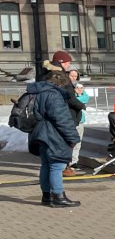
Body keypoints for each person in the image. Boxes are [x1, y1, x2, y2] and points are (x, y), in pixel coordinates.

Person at [26, 70, 81, 207]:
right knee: (57, 165)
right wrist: (73, 138)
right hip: (52, 133)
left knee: (46, 165)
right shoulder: (54, 95)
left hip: (40, 132)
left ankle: (46, 196)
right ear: (61, 83)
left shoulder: (39, 92)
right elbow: (61, 119)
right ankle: (58, 196)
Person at [64, 72, 88, 176]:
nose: (74, 78)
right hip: (70, 120)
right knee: (70, 142)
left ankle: (74, 162)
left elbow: (85, 98)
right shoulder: (68, 88)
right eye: (71, 76)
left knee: (78, 143)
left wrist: (79, 95)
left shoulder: (79, 88)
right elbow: (72, 101)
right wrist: (77, 97)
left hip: (80, 120)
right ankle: (67, 163)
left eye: (75, 76)